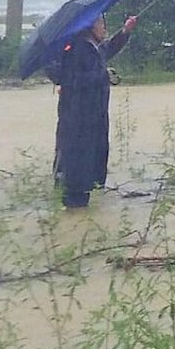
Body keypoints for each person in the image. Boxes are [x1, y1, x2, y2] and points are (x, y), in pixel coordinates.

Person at [52, 10, 138, 208]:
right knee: (76, 160)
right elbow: (70, 79)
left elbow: (108, 49)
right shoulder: (76, 48)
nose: (104, 27)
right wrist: (102, 75)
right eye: (101, 23)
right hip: (78, 117)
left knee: (90, 158)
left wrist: (125, 31)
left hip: (93, 116)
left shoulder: (92, 46)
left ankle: (80, 204)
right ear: (90, 27)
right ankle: (73, 204)